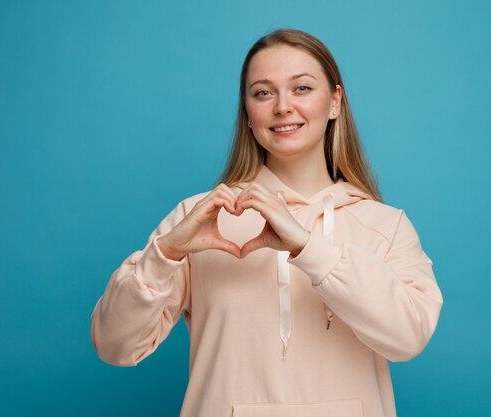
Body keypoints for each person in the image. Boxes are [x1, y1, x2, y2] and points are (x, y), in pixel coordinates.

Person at [91, 28, 444, 417]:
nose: (282, 107)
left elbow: (408, 338)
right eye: (263, 92)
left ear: (335, 102)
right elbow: (114, 346)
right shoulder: (198, 219)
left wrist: (309, 249)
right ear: (247, 111)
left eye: (302, 88)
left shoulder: (385, 225)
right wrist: (167, 253)